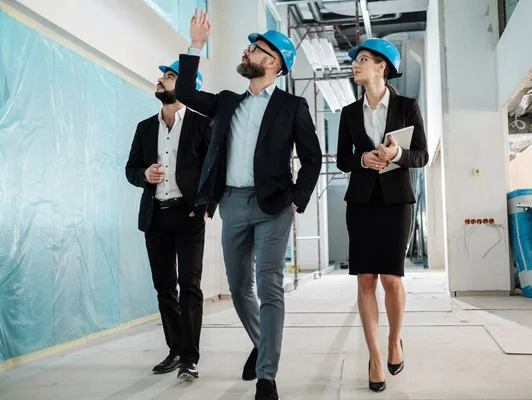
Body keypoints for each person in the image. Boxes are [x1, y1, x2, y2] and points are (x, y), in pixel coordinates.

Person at [175, 9, 322, 400]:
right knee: (241, 288)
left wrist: (298, 200)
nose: (246, 52)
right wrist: (196, 45)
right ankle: (261, 343)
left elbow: (313, 158)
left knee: (270, 286)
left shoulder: (292, 107)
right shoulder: (226, 103)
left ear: (272, 63)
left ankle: (267, 377)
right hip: (233, 205)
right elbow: (186, 94)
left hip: (274, 206)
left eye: (254, 49)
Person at [336, 38, 428, 393]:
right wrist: (363, 159)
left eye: (362, 59)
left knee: (391, 278)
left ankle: (394, 340)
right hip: (360, 202)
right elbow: (343, 158)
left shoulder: (407, 106)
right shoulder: (347, 113)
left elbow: (422, 155)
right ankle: (375, 356)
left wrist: (396, 155)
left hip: (396, 202)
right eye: (355, 60)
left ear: (382, 67)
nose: (355, 65)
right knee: (365, 280)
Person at [125, 60, 216, 381]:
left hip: (189, 216)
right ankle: (175, 349)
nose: (161, 80)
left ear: (189, 86)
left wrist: (208, 205)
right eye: (164, 75)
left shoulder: (203, 125)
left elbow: (213, 169)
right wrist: (143, 175)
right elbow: (130, 169)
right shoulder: (145, 127)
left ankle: (190, 358)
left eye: (170, 76)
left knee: (190, 287)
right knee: (164, 288)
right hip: (155, 217)